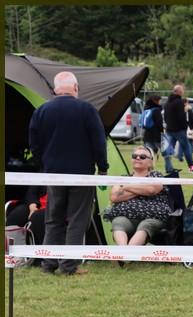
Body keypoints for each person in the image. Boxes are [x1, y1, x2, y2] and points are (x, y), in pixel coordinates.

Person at [28, 70, 108, 275]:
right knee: (77, 219)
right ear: (76, 88)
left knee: (53, 219)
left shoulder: (42, 110)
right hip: (81, 174)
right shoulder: (87, 109)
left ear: (55, 90)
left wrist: (44, 165)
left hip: (53, 174)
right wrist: (103, 167)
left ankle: (48, 264)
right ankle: (68, 266)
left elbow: (34, 144)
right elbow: (99, 141)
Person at [106, 146, 170, 246]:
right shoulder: (123, 178)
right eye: (134, 156)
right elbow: (114, 197)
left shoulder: (156, 176)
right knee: (118, 222)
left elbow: (151, 190)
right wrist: (141, 189)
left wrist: (126, 187)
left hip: (153, 217)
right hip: (126, 217)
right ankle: (123, 253)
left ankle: (126, 255)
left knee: (145, 225)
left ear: (150, 162)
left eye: (143, 156)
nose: (138, 158)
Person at [163, 84, 193, 172]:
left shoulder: (167, 103)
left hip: (169, 129)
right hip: (179, 130)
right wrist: (185, 126)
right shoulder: (179, 102)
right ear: (179, 92)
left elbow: (165, 117)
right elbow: (181, 116)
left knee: (168, 149)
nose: (183, 92)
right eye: (182, 91)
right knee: (186, 148)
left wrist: (168, 124)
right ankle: (192, 166)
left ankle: (168, 168)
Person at [141, 95, 165, 166]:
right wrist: (162, 130)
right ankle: (151, 166)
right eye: (160, 101)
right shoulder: (156, 110)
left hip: (146, 135)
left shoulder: (146, 109)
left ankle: (147, 166)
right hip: (155, 135)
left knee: (148, 153)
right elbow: (159, 123)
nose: (160, 102)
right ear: (156, 101)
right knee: (156, 152)